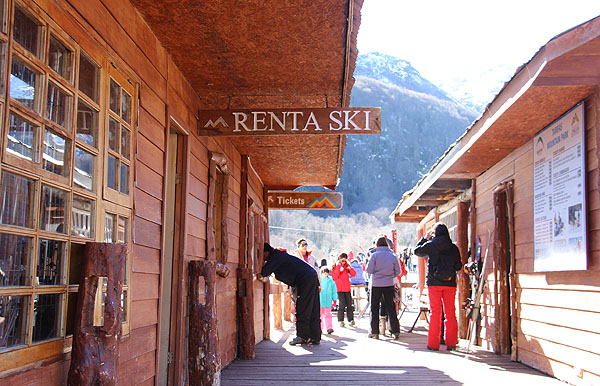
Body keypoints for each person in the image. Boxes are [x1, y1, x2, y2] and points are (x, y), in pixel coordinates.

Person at [413, 222, 463, 351]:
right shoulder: (453, 248)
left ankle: (433, 344)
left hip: (434, 283)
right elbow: (458, 266)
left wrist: (425, 238)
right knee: (450, 313)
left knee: (435, 313)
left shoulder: (431, 245)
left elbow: (417, 251)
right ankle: (451, 343)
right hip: (450, 283)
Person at [259, 243, 321, 345]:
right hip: (310, 275)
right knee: (313, 306)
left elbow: (264, 271)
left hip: (305, 279)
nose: (263, 259)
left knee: (302, 307)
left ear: (266, 252)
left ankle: (303, 336)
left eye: (262, 255)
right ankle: (314, 336)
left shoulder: (275, 256)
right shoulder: (279, 255)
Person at [365, 236, 401, 340]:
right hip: (389, 284)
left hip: (376, 284)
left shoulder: (374, 255)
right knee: (391, 307)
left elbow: (369, 270)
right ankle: (395, 331)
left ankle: (374, 332)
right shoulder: (392, 255)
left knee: (374, 308)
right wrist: (390, 275)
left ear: (376, 244)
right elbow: (398, 271)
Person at [331, 253, 356, 327]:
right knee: (341, 305)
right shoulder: (336, 267)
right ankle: (341, 320)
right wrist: (339, 267)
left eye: (345, 261)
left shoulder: (347, 266)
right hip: (340, 289)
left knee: (349, 305)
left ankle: (351, 319)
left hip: (347, 288)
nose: (343, 262)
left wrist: (349, 268)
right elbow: (334, 276)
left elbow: (354, 274)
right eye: (342, 261)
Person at [319, 268, 337, 334]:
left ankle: (329, 328)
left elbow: (334, 291)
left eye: (327, 272)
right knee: (319, 315)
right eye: (324, 272)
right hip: (320, 301)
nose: (325, 273)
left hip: (328, 301)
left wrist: (334, 300)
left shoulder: (331, 281)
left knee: (328, 315)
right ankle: (319, 328)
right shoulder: (319, 280)